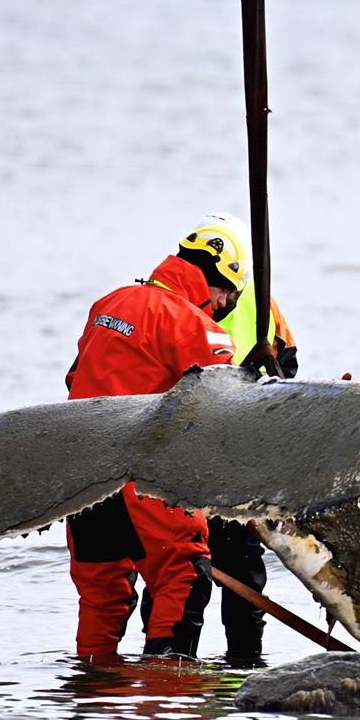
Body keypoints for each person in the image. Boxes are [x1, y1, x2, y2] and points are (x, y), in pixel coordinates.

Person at [64, 214, 248, 660]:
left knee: (102, 591)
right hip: (142, 472)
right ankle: (167, 696)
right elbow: (223, 407)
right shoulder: (197, 326)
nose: (223, 309)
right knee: (183, 574)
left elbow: (74, 379)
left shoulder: (110, 301)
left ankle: (93, 687)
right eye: (228, 301)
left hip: (81, 473)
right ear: (220, 287)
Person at [209, 288, 298, 667]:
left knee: (238, 569)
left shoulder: (263, 305)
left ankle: (243, 666)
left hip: (237, 461)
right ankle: (176, 672)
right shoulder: (176, 306)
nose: (222, 298)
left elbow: (287, 372)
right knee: (184, 571)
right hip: (195, 461)